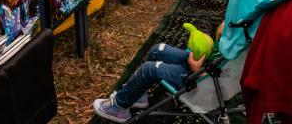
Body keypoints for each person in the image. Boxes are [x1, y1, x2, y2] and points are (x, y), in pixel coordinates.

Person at [93, 23, 222, 123]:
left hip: (201, 81)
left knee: (149, 69)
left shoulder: (239, 51)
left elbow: (219, 83)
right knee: (158, 50)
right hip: (204, 65)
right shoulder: (238, 37)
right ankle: (137, 94)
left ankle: (119, 108)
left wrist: (197, 71)